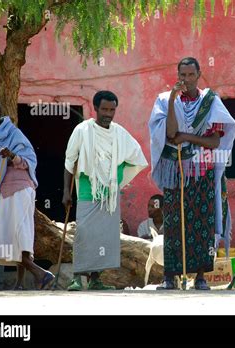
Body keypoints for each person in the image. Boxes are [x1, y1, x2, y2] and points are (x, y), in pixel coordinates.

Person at [149, 57, 235, 290]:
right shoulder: (165, 100)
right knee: (173, 224)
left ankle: (200, 277)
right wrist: (171, 101)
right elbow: (169, 134)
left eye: (190, 75)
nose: (186, 80)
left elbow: (214, 141)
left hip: (202, 173)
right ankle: (170, 276)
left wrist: (187, 137)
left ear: (199, 75)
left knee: (202, 224)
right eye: (182, 75)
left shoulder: (211, 102)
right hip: (176, 173)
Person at [63, 91, 148, 291]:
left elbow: (137, 158)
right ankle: (77, 277)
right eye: (104, 109)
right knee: (84, 233)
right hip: (86, 189)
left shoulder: (119, 133)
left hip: (109, 194)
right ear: (96, 109)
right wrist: (66, 192)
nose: (108, 113)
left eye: (112, 110)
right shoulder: (82, 130)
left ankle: (96, 279)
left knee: (104, 236)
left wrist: (116, 176)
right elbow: (69, 161)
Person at [0, 100, 54, 290]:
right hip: (1, 190)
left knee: (7, 234)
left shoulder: (13, 134)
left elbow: (29, 160)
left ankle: (40, 273)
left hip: (18, 189)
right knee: (18, 235)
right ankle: (24, 281)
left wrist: (12, 156)